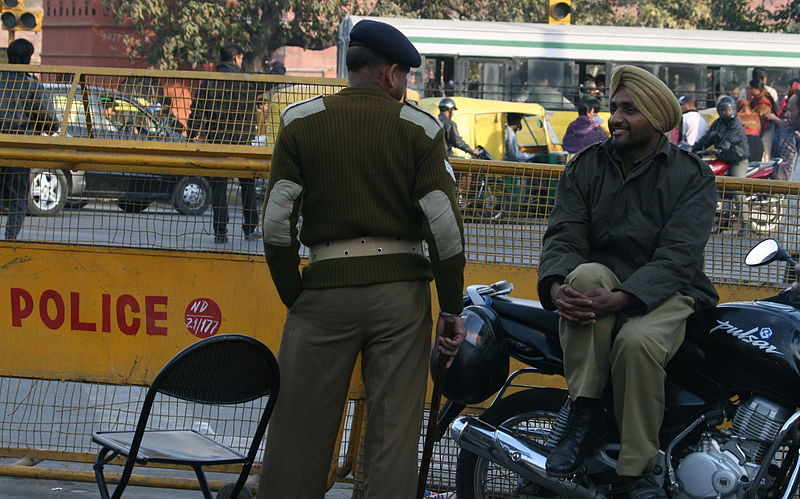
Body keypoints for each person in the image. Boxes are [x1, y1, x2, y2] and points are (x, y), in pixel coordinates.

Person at [257, 19, 466, 498]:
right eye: (406, 77)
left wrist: (297, 294)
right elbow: (446, 232)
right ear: (391, 73)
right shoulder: (421, 129)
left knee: (300, 429)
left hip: (323, 291)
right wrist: (450, 305)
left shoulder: (300, 122)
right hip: (401, 301)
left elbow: (276, 223)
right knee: (393, 433)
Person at [539, 65, 718, 499]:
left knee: (636, 343)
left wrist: (622, 299)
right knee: (582, 274)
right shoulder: (586, 166)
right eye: (614, 108)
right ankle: (584, 413)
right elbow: (564, 233)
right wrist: (557, 285)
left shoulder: (692, 176)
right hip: (599, 284)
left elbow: (678, 256)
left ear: (656, 120)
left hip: (670, 291)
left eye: (629, 110)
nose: (615, 118)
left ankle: (639, 468)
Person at [187, 42, 260, 243]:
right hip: (242, 142)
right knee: (248, 184)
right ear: (237, 59)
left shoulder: (209, 81)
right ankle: (250, 227)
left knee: (219, 186)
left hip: (217, 141)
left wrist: (190, 135)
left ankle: (220, 231)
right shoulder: (247, 82)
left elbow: (198, 111)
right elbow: (268, 85)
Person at [0, 39, 59, 240]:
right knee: (18, 196)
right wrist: (49, 128)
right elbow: (48, 119)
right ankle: (9, 239)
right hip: (20, 148)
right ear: (28, 59)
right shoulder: (31, 85)